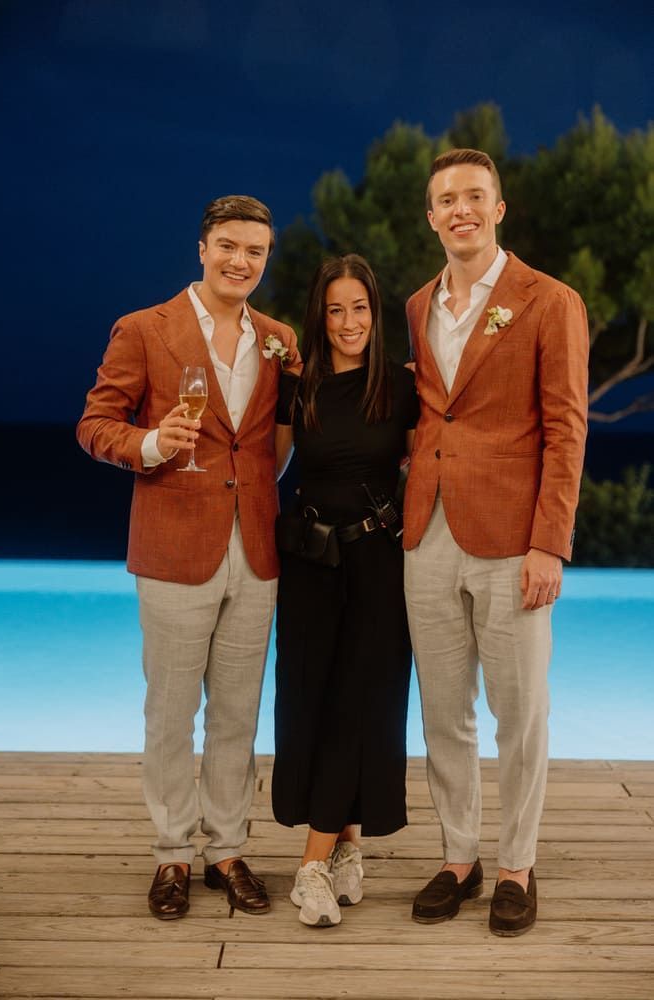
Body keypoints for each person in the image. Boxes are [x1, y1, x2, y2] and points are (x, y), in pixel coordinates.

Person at [77, 195, 301, 920]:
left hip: (257, 548)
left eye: (255, 252)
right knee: (171, 714)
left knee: (237, 713)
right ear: (201, 249)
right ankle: (172, 852)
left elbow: (278, 436)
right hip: (174, 544)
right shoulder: (144, 330)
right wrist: (148, 446)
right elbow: (95, 424)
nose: (241, 261)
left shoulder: (277, 338)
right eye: (229, 247)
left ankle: (228, 850)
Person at [404, 149, 588, 936]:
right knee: (444, 713)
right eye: (445, 199)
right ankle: (458, 856)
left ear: (499, 208)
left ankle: (516, 864)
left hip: (514, 539)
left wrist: (549, 543)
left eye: (473, 196)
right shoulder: (416, 304)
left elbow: (565, 428)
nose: (459, 210)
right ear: (430, 215)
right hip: (426, 534)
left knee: (520, 712)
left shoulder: (548, 300)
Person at [272, 254, 419, 927]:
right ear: (319, 315)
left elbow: (430, 464)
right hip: (308, 563)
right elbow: (267, 464)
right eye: (334, 309)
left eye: (358, 307)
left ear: (375, 313)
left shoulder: (401, 386)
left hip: (377, 563)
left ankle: (311, 865)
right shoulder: (294, 385)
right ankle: (345, 849)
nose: (347, 321)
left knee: (364, 702)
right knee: (312, 699)